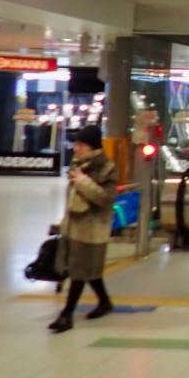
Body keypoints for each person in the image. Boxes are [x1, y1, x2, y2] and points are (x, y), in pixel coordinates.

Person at [50, 125, 118, 333]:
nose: (76, 148)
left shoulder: (106, 167)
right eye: (76, 144)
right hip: (73, 225)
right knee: (88, 269)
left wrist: (83, 182)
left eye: (81, 145)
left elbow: (105, 199)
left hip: (92, 229)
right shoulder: (78, 164)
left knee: (79, 271)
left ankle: (67, 315)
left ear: (92, 146)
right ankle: (105, 302)